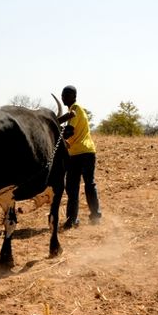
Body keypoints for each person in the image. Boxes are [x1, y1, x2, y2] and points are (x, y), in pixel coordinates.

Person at [59, 85, 101, 229]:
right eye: (62, 94)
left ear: (73, 96)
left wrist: (56, 134)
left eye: (66, 94)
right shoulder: (72, 111)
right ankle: (73, 219)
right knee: (73, 187)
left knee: (86, 185)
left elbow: (69, 131)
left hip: (84, 153)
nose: (63, 97)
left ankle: (91, 216)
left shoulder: (75, 109)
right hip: (76, 153)